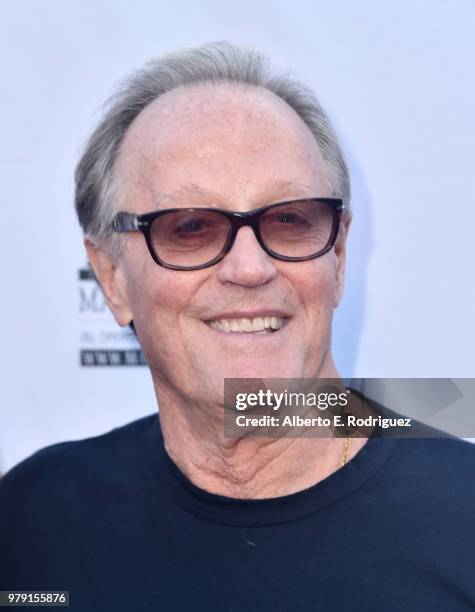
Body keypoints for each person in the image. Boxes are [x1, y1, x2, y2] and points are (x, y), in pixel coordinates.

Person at [0, 42, 473, 611]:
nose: (250, 268)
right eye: (191, 226)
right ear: (111, 278)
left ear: (340, 256)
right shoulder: (32, 521)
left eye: (289, 219)